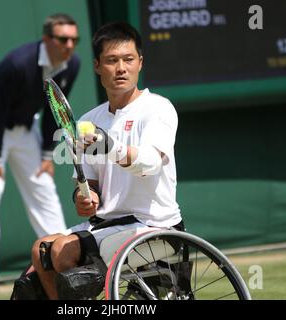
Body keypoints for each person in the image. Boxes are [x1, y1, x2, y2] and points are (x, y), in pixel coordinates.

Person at [25, 21, 182, 300]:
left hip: (154, 227)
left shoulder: (158, 108)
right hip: (106, 226)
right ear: (98, 66)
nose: (121, 68)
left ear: (140, 63)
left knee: (63, 251)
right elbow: (89, 185)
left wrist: (111, 147)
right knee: (41, 250)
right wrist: (84, 198)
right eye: (111, 60)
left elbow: (150, 163)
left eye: (128, 59)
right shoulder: (88, 120)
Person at [0, 13, 81, 290]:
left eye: (74, 39)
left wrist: (46, 155)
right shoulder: (16, 64)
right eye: (63, 39)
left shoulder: (71, 64)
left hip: (25, 126)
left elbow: (55, 109)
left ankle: (62, 257)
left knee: (43, 184)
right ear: (47, 39)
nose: (69, 45)